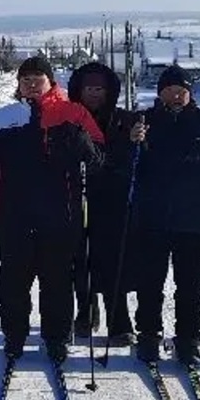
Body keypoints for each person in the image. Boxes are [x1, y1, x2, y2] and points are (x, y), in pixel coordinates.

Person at [0, 56, 103, 362]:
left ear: (50, 81)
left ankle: (56, 338)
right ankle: (14, 336)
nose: (31, 84)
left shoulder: (73, 112)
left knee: (56, 281)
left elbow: (98, 161)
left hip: (60, 213)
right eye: (25, 79)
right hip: (13, 212)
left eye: (37, 78)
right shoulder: (4, 117)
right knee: (13, 280)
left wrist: (84, 144)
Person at [128, 65, 200, 366]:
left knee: (191, 284)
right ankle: (149, 336)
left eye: (181, 89)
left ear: (190, 92)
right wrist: (132, 143)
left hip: (194, 219)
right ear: (160, 93)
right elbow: (127, 167)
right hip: (153, 217)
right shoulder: (145, 122)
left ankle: (188, 338)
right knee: (150, 281)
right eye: (169, 89)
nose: (176, 95)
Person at [66, 61, 140, 346]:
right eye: (89, 89)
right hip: (77, 195)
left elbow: (136, 156)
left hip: (114, 200)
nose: (94, 94)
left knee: (114, 260)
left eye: (100, 89)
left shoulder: (125, 119)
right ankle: (85, 312)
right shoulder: (70, 118)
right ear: (79, 91)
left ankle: (119, 319)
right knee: (79, 258)